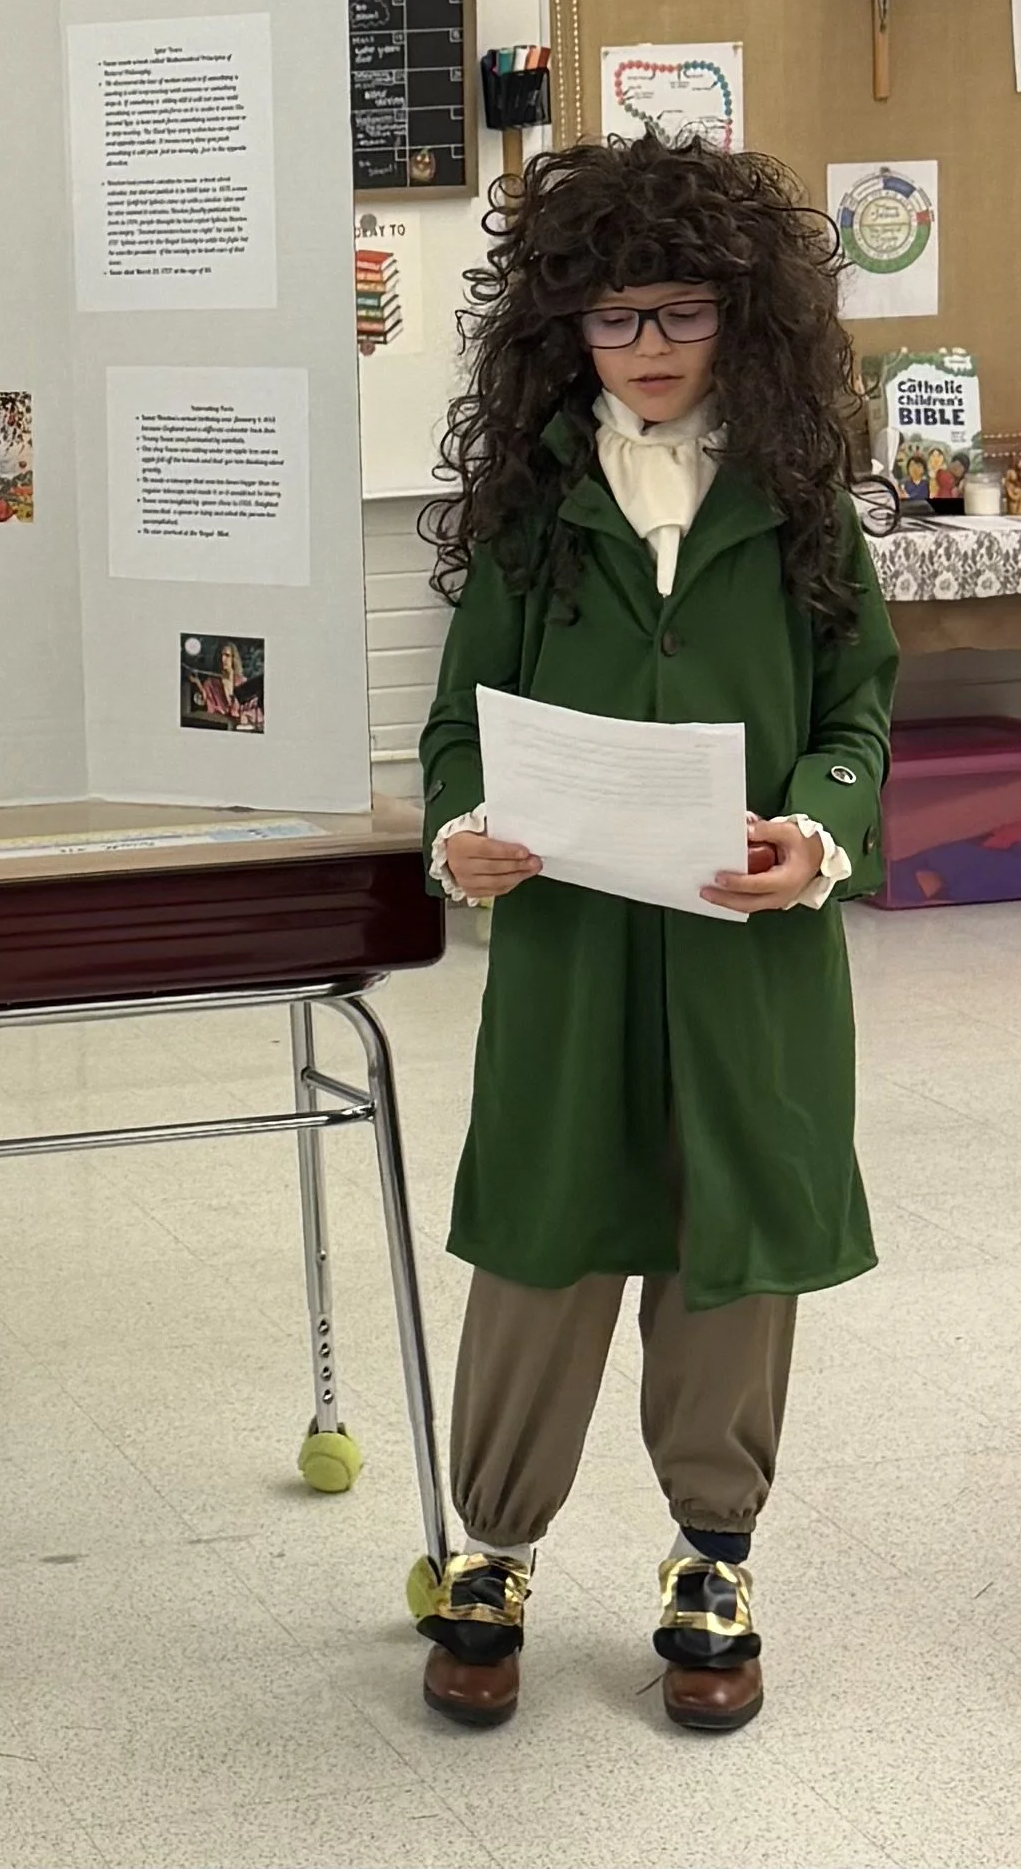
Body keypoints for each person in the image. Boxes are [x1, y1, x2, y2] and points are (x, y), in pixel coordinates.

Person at [411, 133, 898, 1738]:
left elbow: (858, 710)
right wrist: (461, 835)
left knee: (727, 1246)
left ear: (741, 315)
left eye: (681, 310)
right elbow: (456, 730)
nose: (649, 346)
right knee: (541, 1236)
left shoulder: (801, 500)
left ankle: (712, 1556)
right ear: (564, 327)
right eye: (616, 317)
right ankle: (491, 1548)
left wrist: (815, 831)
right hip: (571, 947)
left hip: (751, 947)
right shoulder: (531, 511)